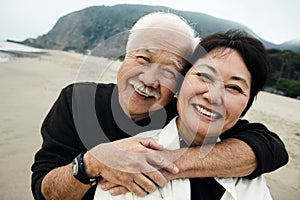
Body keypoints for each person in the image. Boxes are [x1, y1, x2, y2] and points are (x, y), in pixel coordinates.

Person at [31, 12, 288, 200]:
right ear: (124, 56)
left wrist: (158, 161)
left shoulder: (187, 113)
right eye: (143, 58)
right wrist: (92, 163)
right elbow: (44, 190)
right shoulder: (78, 100)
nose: (150, 79)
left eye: (171, 70)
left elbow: (269, 147)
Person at [93, 30, 275, 200]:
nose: (213, 96)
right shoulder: (128, 161)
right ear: (179, 84)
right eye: (204, 76)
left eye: (234, 88)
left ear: (246, 104)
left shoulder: (250, 174)